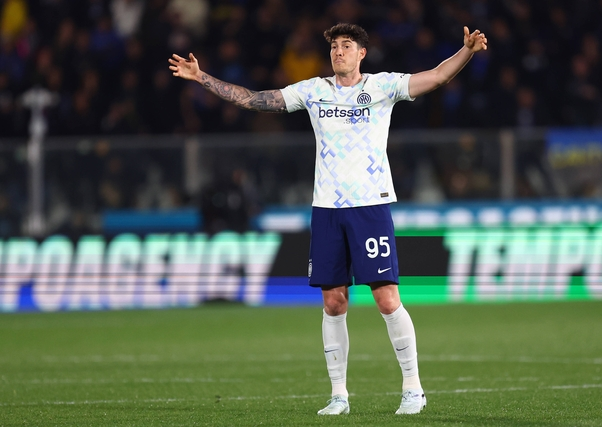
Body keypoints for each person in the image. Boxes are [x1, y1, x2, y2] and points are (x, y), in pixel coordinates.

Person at [169, 22, 487, 416]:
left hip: (370, 207)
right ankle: (339, 395)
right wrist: (201, 77)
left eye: (346, 45)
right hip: (326, 210)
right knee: (334, 302)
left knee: (387, 298)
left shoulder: (383, 87)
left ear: (362, 53)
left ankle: (413, 389)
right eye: (335, 46)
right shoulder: (313, 91)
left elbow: (437, 76)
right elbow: (254, 99)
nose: (339, 51)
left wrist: (467, 51)